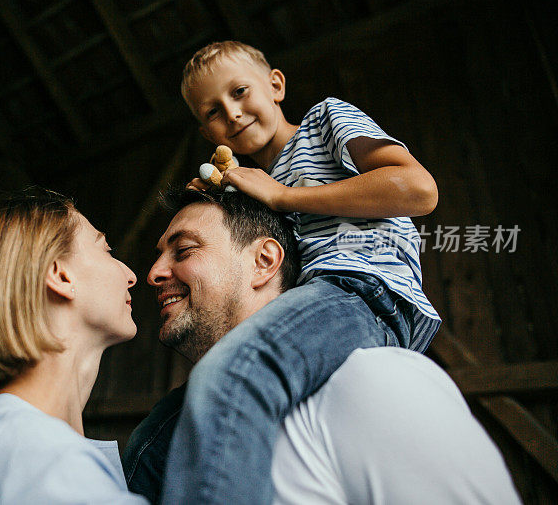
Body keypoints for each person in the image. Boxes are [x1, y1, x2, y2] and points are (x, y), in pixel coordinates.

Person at [153, 40, 443, 503]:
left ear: (276, 85)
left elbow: (418, 189)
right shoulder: (248, 184)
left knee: (237, 372)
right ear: (208, 134)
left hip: (362, 290)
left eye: (241, 91)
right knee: (158, 433)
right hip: (314, 303)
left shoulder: (324, 123)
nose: (231, 111)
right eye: (212, 111)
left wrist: (284, 197)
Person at [124, 188, 520, 504]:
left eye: (185, 250)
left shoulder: (374, 382)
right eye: (159, 255)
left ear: (264, 261)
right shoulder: (162, 440)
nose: (154, 273)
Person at [0, 189, 147, 504]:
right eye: (106, 250)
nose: (131, 275)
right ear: (60, 274)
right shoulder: (38, 457)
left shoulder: (10, 443)